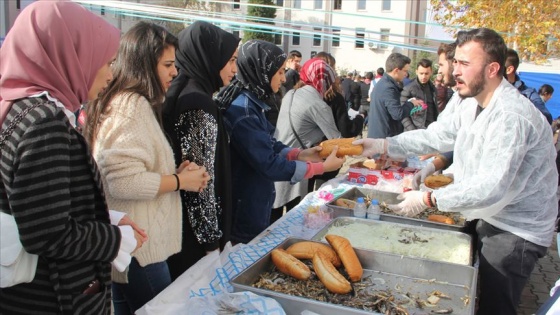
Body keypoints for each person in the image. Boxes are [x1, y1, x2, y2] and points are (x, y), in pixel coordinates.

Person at [356, 28, 557, 315]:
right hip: (492, 214)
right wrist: (384, 144)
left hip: (515, 230)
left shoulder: (510, 115)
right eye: (456, 62)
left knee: (495, 307)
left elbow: (492, 185)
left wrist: (428, 200)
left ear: (492, 69)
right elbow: (437, 136)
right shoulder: (472, 102)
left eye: (465, 63)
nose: (455, 71)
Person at [0, 1, 145, 314]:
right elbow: (49, 235)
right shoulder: (45, 124)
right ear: (70, 55)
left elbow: (36, 207)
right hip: (54, 298)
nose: (110, 74)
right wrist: (115, 238)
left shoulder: (16, 109)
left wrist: (106, 216)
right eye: (105, 62)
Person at [85, 22, 209, 314]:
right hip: (142, 251)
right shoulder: (132, 106)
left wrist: (177, 173)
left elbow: (131, 166)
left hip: (132, 247)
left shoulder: (126, 102)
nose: (174, 72)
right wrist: (180, 182)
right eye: (167, 65)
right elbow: (123, 181)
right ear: (144, 64)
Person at [216, 40, 344, 244]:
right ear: (261, 72)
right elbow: (268, 163)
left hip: (255, 200)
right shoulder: (244, 112)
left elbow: (269, 142)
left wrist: (299, 154)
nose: (284, 79)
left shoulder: (253, 103)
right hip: (245, 206)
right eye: (279, 72)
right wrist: (319, 167)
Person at [163, 21, 240, 280]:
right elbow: (200, 181)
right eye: (229, 60)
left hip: (185, 228)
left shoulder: (188, 91)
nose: (234, 69)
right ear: (208, 57)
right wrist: (210, 244)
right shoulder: (197, 102)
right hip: (193, 240)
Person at [272, 58, 342, 222]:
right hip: (299, 164)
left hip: (276, 158)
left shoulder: (290, 94)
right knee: (295, 218)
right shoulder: (318, 104)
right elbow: (336, 140)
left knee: (271, 219)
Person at [367, 53, 417, 139]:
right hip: (383, 139)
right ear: (396, 70)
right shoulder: (388, 88)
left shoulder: (383, 83)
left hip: (379, 137)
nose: (406, 74)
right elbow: (397, 114)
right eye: (405, 71)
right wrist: (411, 104)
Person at [505, 48, 553, 124]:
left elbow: (546, 118)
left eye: (497, 66)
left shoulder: (528, 94)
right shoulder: (486, 89)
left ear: (509, 70)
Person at [400, 59, 439, 131]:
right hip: (413, 132)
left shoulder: (433, 89)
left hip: (430, 131)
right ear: (416, 72)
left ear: (431, 72)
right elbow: (402, 114)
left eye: (426, 73)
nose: (424, 76)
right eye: (421, 73)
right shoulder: (408, 88)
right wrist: (412, 131)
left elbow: (434, 110)